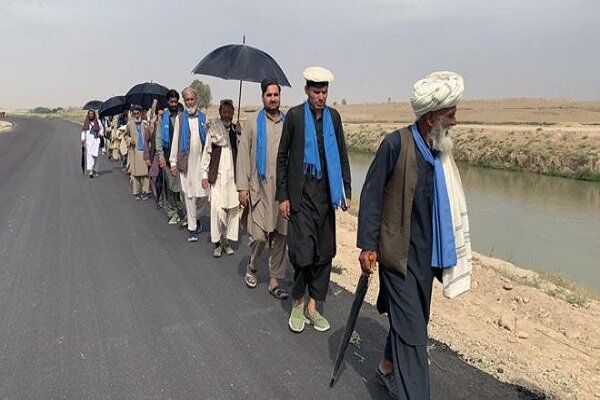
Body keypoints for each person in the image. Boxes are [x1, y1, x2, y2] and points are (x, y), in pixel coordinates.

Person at [357, 71, 467, 400]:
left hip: (424, 259)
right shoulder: (396, 144)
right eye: (451, 115)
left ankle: (387, 368)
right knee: (415, 338)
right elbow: (372, 194)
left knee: (414, 322)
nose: (455, 122)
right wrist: (367, 245)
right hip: (396, 258)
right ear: (431, 118)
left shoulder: (439, 152)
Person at [276, 67, 352, 333]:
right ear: (307, 90)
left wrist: (346, 191)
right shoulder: (295, 117)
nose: (321, 97)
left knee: (323, 254)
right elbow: (282, 158)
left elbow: (342, 155)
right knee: (303, 255)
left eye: (324, 92)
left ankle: (312, 307)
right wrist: (283, 196)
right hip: (301, 198)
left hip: (326, 197)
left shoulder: (334, 118)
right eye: (316, 92)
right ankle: (297, 304)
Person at [237, 79, 288, 299]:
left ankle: (275, 280)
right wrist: (242, 187)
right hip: (258, 188)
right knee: (258, 236)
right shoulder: (252, 123)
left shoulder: (288, 123)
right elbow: (243, 156)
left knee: (280, 235)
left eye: (276, 95)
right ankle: (253, 264)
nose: (273, 98)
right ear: (262, 97)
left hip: (282, 190)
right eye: (269, 95)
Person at [169, 87, 209, 242]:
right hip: (186, 163)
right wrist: (173, 162)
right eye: (187, 100)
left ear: (196, 100)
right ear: (184, 101)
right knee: (189, 195)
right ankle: (192, 228)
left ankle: (195, 217)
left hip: (201, 163)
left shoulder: (204, 117)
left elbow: (209, 139)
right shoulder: (180, 118)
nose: (190, 102)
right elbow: (176, 141)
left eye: (192, 99)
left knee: (204, 195)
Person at [201, 99, 240, 257]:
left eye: (230, 112)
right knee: (217, 211)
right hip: (217, 176)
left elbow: (243, 151)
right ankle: (217, 243)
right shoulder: (213, 130)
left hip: (233, 179)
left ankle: (227, 241)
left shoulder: (235, 130)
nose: (227, 115)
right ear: (220, 112)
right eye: (224, 112)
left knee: (232, 210)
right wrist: (204, 175)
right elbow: (206, 153)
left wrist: (239, 133)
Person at [157, 89, 185, 224]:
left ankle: (182, 210)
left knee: (180, 187)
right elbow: (158, 138)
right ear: (168, 102)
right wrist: (161, 156)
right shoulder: (163, 118)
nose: (173, 104)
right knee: (170, 186)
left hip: (181, 158)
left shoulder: (182, 116)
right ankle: (173, 211)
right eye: (171, 101)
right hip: (167, 157)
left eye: (175, 101)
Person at [124, 105, 152, 200]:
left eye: (138, 113)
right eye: (134, 113)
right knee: (136, 173)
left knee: (145, 173)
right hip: (135, 150)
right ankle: (136, 192)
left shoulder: (145, 123)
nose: (136, 115)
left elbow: (150, 136)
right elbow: (125, 135)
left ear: (141, 113)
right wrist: (129, 140)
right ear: (132, 114)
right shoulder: (129, 124)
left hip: (145, 150)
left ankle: (145, 191)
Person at [80, 109, 104, 178]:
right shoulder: (86, 122)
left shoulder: (98, 122)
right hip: (89, 142)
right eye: (89, 114)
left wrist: (100, 133)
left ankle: (95, 169)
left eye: (92, 114)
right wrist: (83, 139)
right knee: (90, 156)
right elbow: (83, 131)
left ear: (94, 114)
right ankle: (91, 171)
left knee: (95, 156)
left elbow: (102, 129)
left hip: (96, 141)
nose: (91, 115)